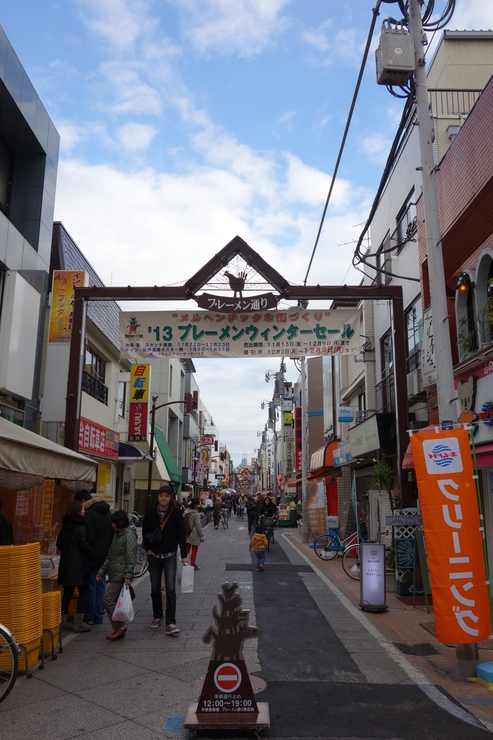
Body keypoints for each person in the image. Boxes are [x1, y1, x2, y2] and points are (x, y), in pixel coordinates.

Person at [142, 485, 187, 634]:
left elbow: (181, 533)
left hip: (170, 554)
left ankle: (171, 622)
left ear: (171, 498)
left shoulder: (175, 512)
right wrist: (148, 549)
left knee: (170, 588)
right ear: (158, 497)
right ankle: (157, 616)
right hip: (154, 554)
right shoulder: (150, 511)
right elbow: (145, 530)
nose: (164, 498)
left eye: (167, 496)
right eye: (161, 495)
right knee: (155, 588)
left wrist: (184, 555)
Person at [96, 509, 137, 641]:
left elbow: (131, 557)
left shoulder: (128, 536)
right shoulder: (117, 535)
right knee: (110, 600)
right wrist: (101, 571)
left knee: (107, 599)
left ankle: (120, 626)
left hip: (121, 574)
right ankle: (119, 627)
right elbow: (110, 556)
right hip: (116, 573)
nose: (112, 525)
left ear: (119, 522)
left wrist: (128, 575)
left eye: (113, 522)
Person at [75, 489, 112, 626]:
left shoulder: (89, 514)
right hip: (104, 553)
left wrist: (89, 549)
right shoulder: (108, 513)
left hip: (92, 553)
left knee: (91, 585)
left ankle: (90, 616)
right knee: (100, 584)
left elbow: (90, 535)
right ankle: (98, 616)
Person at [56, 500, 92, 633]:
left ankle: (63, 621)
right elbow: (84, 546)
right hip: (78, 565)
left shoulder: (65, 527)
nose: (84, 510)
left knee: (68, 593)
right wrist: (91, 550)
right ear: (78, 511)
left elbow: (59, 544)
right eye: (82, 509)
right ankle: (78, 622)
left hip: (66, 564)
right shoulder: (81, 527)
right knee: (84, 591)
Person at [183, 498, 204, 570]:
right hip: (194, 534)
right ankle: (192, 564)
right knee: (194, 550)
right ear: (195, 505)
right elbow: (198, 526)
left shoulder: (186, 511)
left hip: (186, 532)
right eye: (197, 504)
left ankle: (184, 562)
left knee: (187, 549)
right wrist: (202, 536)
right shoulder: (196, 514)